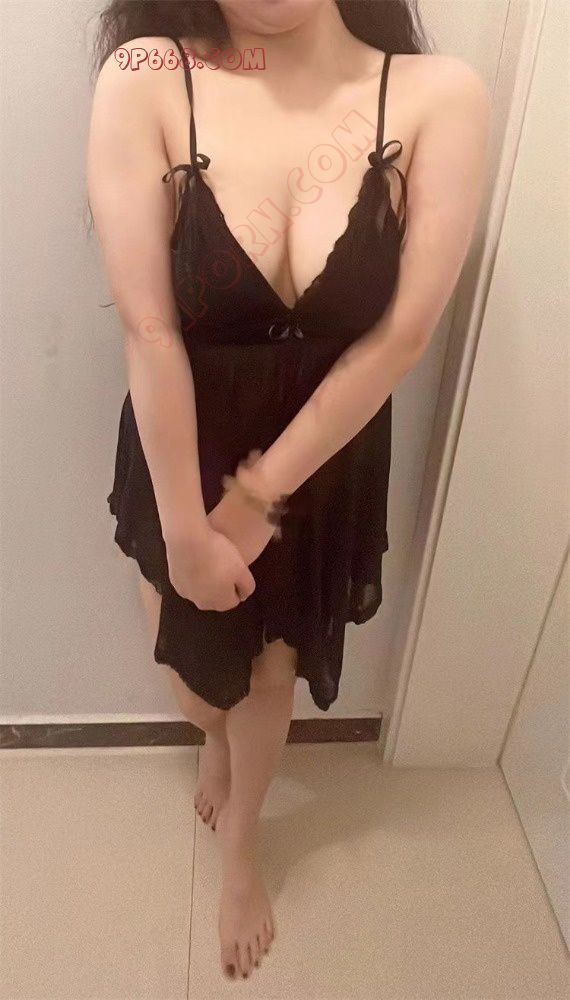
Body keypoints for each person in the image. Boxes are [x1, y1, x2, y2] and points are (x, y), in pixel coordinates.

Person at [87, 0, 490, 981]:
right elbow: (148, 327)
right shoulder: (148, 77)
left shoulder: (436, 96)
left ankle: (242, 849)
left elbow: (401, 335)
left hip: (324, 453)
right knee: (198, 686)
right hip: (183, 443)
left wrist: (259, 495)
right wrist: (190, 530)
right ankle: (215, 740)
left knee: (272, 675)